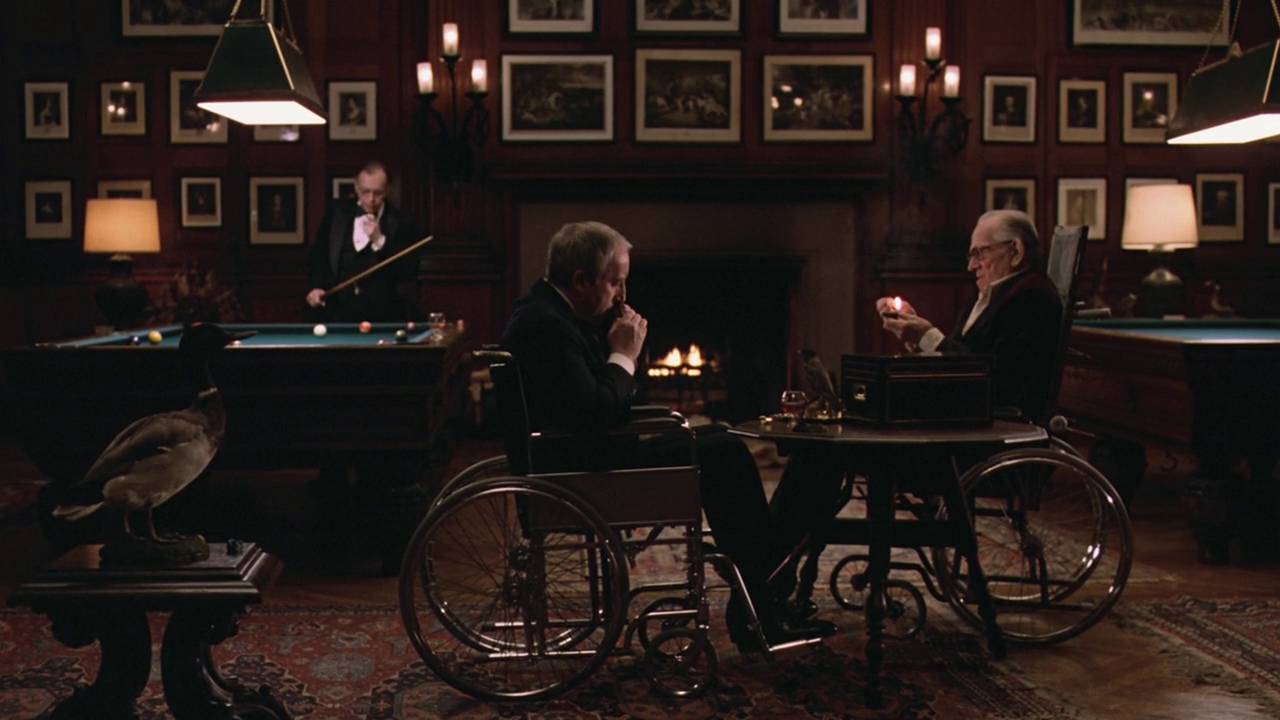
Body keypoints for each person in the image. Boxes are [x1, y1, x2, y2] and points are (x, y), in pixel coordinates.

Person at [499, 221, 836, 651]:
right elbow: (599, 411)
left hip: (591, 457)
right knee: (725, 452)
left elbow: (611, 400)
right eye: (616, 283)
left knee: (720, 437)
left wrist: (622, 350)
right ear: (581, 280)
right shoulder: (545, 325)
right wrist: (624, 353)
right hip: (580, 477)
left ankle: (763, 590)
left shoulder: (554, 313)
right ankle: (765, 594)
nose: (622, 296)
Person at [878, 209, 1063, 421]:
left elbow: (993, 380)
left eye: (979, 253)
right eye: (971, 256)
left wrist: (926, 336)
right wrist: (916, 333)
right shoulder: (995, 295)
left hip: (997, 424)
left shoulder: (1032, 297)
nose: (971, 266)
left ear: (1016, 251)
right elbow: (962, 353)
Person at [305, 161, 420, 323]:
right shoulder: (336, 213)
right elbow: (319, 255)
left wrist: (380, 241)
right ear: (356, 188)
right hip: (336, 314)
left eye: (378, 193)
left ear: (387, 190)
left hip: (381, 317)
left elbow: (408, 272)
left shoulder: (402, 222)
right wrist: (316, 286)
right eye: (365, 191)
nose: (371, 199)